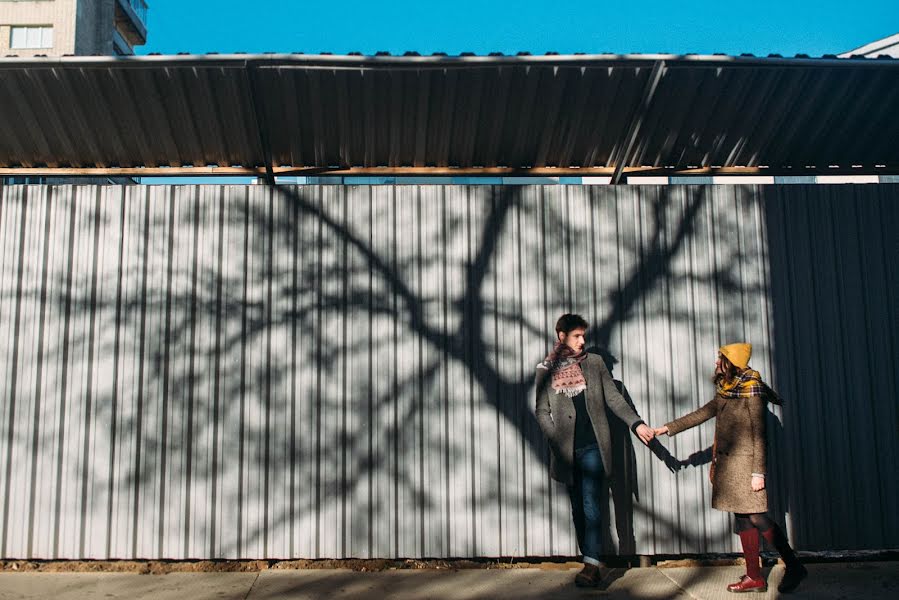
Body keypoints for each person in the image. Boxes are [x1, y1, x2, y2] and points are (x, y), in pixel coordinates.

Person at [653, 343, 807, 594]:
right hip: (728, 466)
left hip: (746, 466)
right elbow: (703, 412)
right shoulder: (726, 388)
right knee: (742, 519)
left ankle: (793, 565)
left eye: (720, 358)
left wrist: (759, 473)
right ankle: (754, 577)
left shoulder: (751, 391)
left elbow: (759, 433)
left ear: (731, 361)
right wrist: (667, 428)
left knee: (757, 516)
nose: (716, 363)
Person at [535, 313, 655, 587]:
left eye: (583, 336)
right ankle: (592, 558)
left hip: (594, 447)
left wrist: (637, 425)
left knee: (591, 503)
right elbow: (542, 411)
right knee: (578, 507)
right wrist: (554, 438)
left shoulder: (595, 364)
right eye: (577, 336)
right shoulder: (546, 369)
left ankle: (590, 564)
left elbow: (614, 397)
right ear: (561, 337)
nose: (582, 341)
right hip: (566, 451)